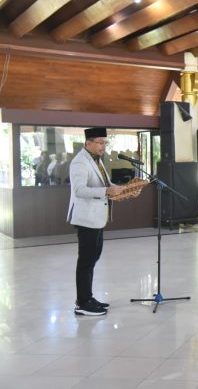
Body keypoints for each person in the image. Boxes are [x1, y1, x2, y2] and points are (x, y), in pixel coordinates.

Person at [67, 127, 125, 316]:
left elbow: (106, 185)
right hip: (86, 218)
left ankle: (88, 297)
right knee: (86, 261)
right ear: (88, 143)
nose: (103, 146)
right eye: (100, 143)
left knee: (92, 258)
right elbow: (80, 191)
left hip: (97, 218)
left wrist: (122, 189)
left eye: (105, 143)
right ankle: (82, 303)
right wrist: (107, 192)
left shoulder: (96, 160)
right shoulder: (80, 162)